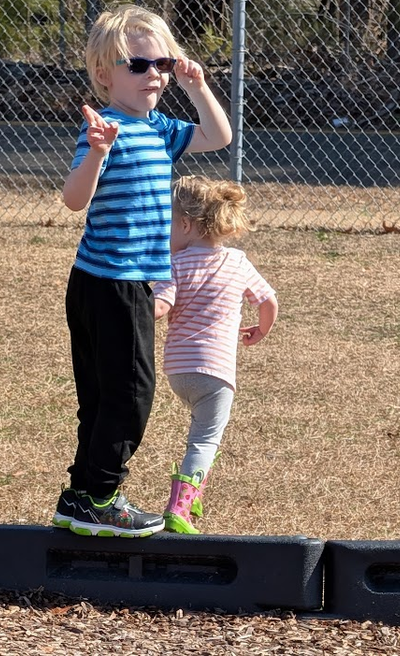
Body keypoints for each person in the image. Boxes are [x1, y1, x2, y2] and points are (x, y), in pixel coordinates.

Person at [54, 4, 232, 538]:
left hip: (118, 283)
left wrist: (198, 86)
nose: (154, 73)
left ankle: (82, 496)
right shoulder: (107, 131)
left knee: (109, 395)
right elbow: (72, 200)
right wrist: (96, 153)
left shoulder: (159, 128)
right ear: (105, 74)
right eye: (139, 65)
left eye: (163, 63)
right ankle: (102, 496)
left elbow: (218, 136)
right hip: (110, 283)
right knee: (129, 395)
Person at [153, 175, 278, 534]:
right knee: (205, 439)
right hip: (217, 372)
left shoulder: (172, 265)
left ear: (186, 225)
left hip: (178, 371)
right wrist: (261, 329)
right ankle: (180, 506)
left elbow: (161, 305)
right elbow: (267, 301)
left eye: (167, 224)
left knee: (201, 430)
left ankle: (195, 491)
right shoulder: (237, 262)